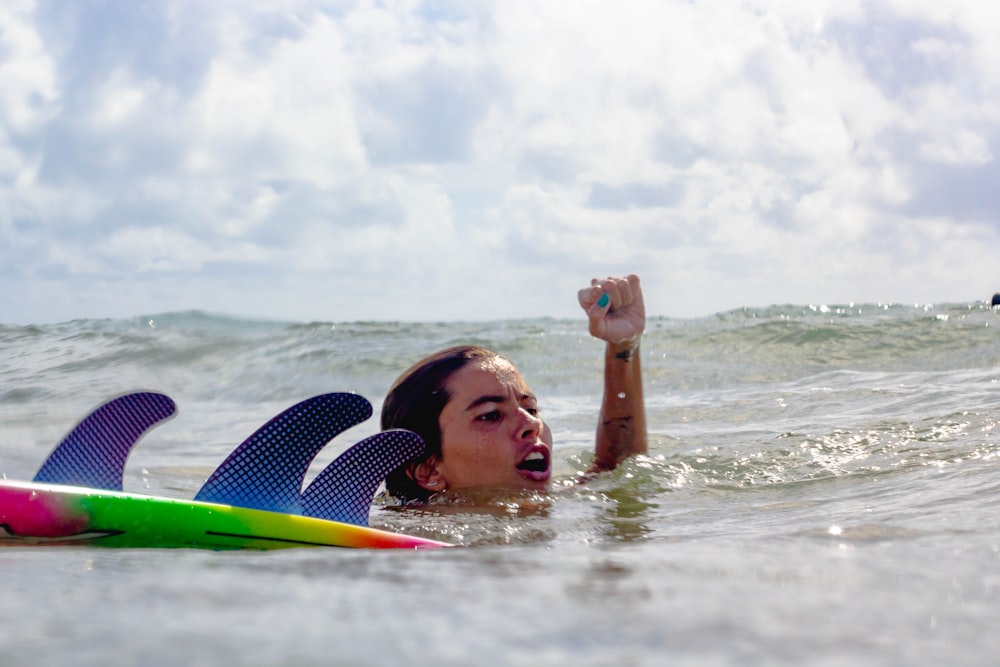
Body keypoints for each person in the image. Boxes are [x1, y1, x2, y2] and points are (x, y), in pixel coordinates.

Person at [381, 274, 647, 502]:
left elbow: (619, 468)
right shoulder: (405, 544)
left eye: (531, 408)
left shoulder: (561, 504)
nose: (532, 424)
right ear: (429, 472)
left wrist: (623, 346)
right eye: (490, 415)